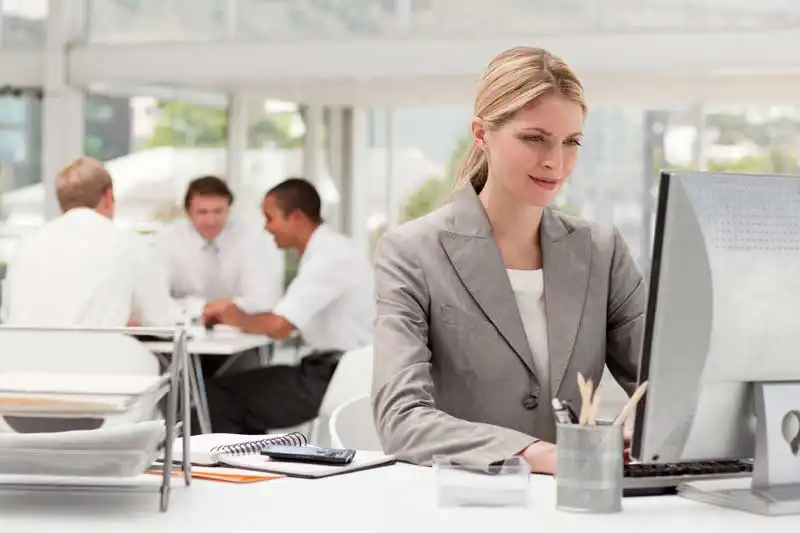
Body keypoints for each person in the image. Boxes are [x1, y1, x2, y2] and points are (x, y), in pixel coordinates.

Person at [371, 46, 645, 474]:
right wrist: (542, 454)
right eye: (534, 138)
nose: (555, 161)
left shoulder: (601, 250)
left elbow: (664, 385)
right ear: (482, 134)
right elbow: (402, 419)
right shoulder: (411, 251)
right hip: (461, 501)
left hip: (572, 504)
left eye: (571, 142)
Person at [199, 178, 374, 433]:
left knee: (216, 396)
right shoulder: (328, 251)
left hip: (334, 375)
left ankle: (239, 469)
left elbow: (280, 326)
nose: (267, 228)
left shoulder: (329, 258)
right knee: (232, 392)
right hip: (329, 369)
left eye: (270, 218)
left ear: (297, 218)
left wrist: (231, 315)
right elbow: (286, 321)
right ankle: (253, 466)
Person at [1, 156, 180, 327]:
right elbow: (161, 321)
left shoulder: (27, 245)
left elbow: (9, 316)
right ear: (108, 196)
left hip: (22, 357)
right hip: (95, 357)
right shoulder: (131, 245)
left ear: (61, 202)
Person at [151, 175, 282, 319]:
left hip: (242, 331)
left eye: (218, 211)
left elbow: (264, 300)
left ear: (229, 209)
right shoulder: (165, 241)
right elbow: (155, 300)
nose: (211, 221)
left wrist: (215, 309)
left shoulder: (252, 239)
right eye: (203, 212)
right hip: (183, 328)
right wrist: (202, 308)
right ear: (188, 213)